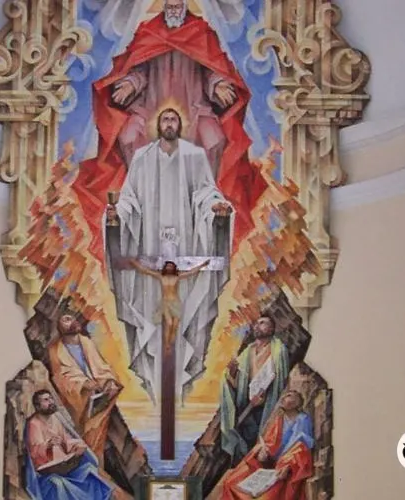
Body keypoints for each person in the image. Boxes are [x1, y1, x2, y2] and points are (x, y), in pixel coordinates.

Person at [73, 0, 267, 263]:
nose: (174, 8)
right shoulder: (149, 31)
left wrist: (218, 85)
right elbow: (138, 69)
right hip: (152, 107)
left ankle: (205, 204)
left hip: (194, 107)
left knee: (215, 139)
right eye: (170, 3)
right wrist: (130, 84)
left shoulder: (201, 32)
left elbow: (211, 70)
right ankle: (139, 200)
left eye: (178, 3)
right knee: (128, 135)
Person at [105, 108, 230, 404]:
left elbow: (206, 193)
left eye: (174, 119)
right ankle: (156, 386)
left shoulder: (195, 157)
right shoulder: (142, 158)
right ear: (157, 125)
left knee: (187, 321)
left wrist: (215, 208)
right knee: (151, 321)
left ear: (181, 125)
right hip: (148, 246)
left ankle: (181, 385)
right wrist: (117, 214)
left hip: (189, 244)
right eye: (165, 119)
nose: (170, 124)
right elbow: (130, 199)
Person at [46, 314, 122, 459]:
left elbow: (101, 367)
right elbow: (61, 378)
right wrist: (84, 383)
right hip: (79, 403)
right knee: (84, 439)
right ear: (59, 327)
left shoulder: (87, 342)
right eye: (66, 319)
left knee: (99, 440)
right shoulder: (55, 350)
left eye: (72, 318)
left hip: (99, 400)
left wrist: (109, 382)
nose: (72, 321)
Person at [221, 390, 315, 500]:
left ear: (297, 402)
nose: (283, 398)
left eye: (289, 396)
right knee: (231, 483)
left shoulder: (302, 419)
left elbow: (301, 446)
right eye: (284, 395)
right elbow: (269, 443)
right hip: (269, 465)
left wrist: (288, 465)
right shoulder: (279, 419)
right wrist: (263, 452)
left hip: (288, 468)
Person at [219, 315, 290, 460]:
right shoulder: (248, 351)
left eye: (262, 323)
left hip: (266, 406)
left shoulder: (278, 350)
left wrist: (263, 399)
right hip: (247, 406)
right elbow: (238, 382)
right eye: (256, 323)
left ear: (271, 328)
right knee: (244, 441)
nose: (257, 326)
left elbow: (280, 381)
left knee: (262, 440)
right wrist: (232, 372)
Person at [23, 390, 113, 500]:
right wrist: (48, 445)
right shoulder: (33, 424)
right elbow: (34, 452)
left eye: (51, 398)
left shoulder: (55, 418)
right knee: (58, 484)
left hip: (65, 467)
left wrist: (77, 447)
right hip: (47, 474)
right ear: (37, 406)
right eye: (46, 400)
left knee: (90, 472)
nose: (51, 402)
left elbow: (66, 440)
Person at [129, 259, 210, 357]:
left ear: (174, 268)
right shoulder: (160, 276)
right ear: (165, 267)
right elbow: (145, 270)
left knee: (175, 326)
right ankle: (167, 344)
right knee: (169, 323)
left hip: (176, 303)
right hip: (165, 303)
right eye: (167, 266)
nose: (169, 268)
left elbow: (191, 272)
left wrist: (202, 265)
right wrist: (134, 263)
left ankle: (170, 344)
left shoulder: (177, 277)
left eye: (171, 266)